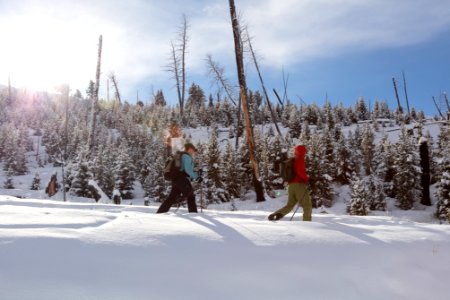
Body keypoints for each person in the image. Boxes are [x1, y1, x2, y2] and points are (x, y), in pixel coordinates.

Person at [268, 145, 312, 221]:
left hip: (291, 186)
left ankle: (276, 214)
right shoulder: (300, 159)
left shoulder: (292, 159)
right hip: (299, 185)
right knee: (307, 205)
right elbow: (300, 171)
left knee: (290, 205)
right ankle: (307, 223)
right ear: (303, 151)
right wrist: (307, 179)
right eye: (305, 151)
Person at [157, 143, 202, 213]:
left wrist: (193, 178)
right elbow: (188, 170)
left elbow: (185, 171)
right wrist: (197, 177)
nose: (194, 152)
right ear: (190, 149)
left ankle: (160, 212)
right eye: (194, 150)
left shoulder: (181, 156)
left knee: (171, 197)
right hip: (181, 179)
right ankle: (193, 213)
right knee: (190, 196)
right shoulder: (187, 156)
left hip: (175, 179)